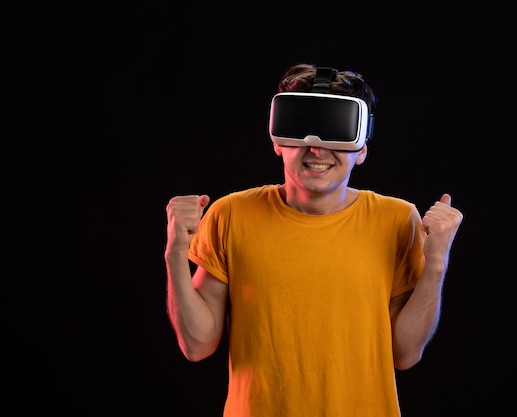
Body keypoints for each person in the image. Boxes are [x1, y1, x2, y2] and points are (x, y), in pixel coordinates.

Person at [164, 63, 463, 417]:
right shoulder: (231, 215)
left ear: (362, 149)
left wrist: (437, 262)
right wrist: (175, 253)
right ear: (278, 141)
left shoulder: (397, 219)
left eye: (335, 132)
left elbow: (405, 353)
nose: (317, 149)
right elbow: (197, 345)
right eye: (302, 130)